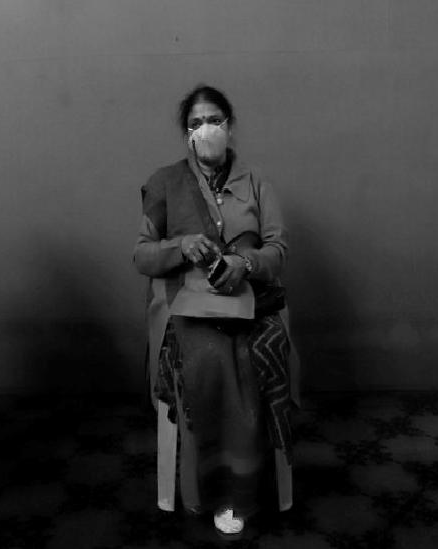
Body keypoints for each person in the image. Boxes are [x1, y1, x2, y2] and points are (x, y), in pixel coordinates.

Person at [133, 85, 297, 536]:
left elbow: (279, 249)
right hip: (185, 305)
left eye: (214, 120)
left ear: (229, 125)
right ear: (186, 133)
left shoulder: (256, 182)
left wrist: (246, 264)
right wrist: (181, 246)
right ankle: (205, 488)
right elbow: (142, 254)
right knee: (207, 358)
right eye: (196, 123)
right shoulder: (166, 183)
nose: (206, 129)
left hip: (250, 299)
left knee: (251, 356)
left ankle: (239, 491)